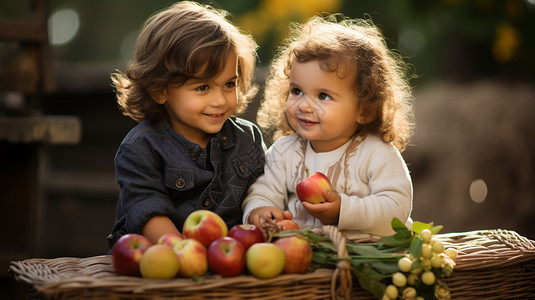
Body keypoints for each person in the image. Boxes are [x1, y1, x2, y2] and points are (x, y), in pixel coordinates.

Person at [107, 1, 265, 248]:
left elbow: (263, 190)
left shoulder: (247, 138)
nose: (220, 100)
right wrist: (183, 251)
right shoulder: (141, 148)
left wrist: (265, 211)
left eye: (229, 84)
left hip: (228, 264)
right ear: (160, 90)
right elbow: (148, 210)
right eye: (203, 87)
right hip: (157, 262)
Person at [242, 15, 414, 239]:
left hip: (365, 260)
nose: (304, 105)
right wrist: (260, 210)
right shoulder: (285, 152)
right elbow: (264, 191)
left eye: (323, 96)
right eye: (296, 91)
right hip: (305, 260)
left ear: (365, 109)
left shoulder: (376, 153)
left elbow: (396, 209)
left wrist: (343, 210)